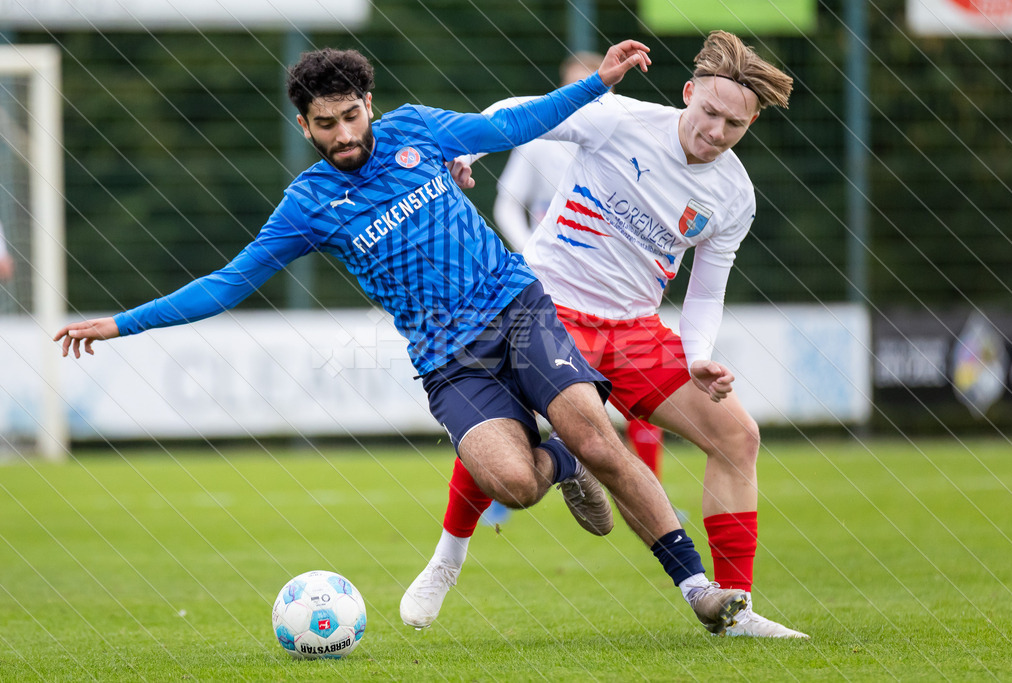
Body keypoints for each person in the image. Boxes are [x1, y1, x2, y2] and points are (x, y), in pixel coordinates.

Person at [53, 41, 751, 637]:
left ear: (368, 104)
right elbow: (226, 283)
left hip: (520, 309)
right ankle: (561, 462)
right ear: (305, 126)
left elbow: (509, 127)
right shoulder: (309, 204)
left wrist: (595, 84)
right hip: (449, 360)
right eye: (326, 124)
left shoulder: (419, 131)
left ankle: (699, 590)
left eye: (352, 115)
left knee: (604, 438)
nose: (344, 133)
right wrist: (121, 323)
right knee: (512, 478)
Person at [403, 31, 806, 639]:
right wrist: (468, 155)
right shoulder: (618, 118)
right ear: (688, 93)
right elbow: (517, 114)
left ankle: (735, 609)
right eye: (710, 113)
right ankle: (447, 561)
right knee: (502, 433)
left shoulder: (734, 194)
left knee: (736, 436)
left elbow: (705, 291)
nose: (717, 132)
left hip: (636, 331)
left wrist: (697, 357)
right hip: (547, 311)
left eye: (736, 124)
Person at [481, 51, 666, 530]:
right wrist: (527, 254)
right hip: (552, 285)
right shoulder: (542, 139)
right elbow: (506, 203)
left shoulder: (631, 141)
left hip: (613, 293)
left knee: (643, 385)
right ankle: (499, 496)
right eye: (576, 88)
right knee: (510, 388)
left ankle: (649, 493)